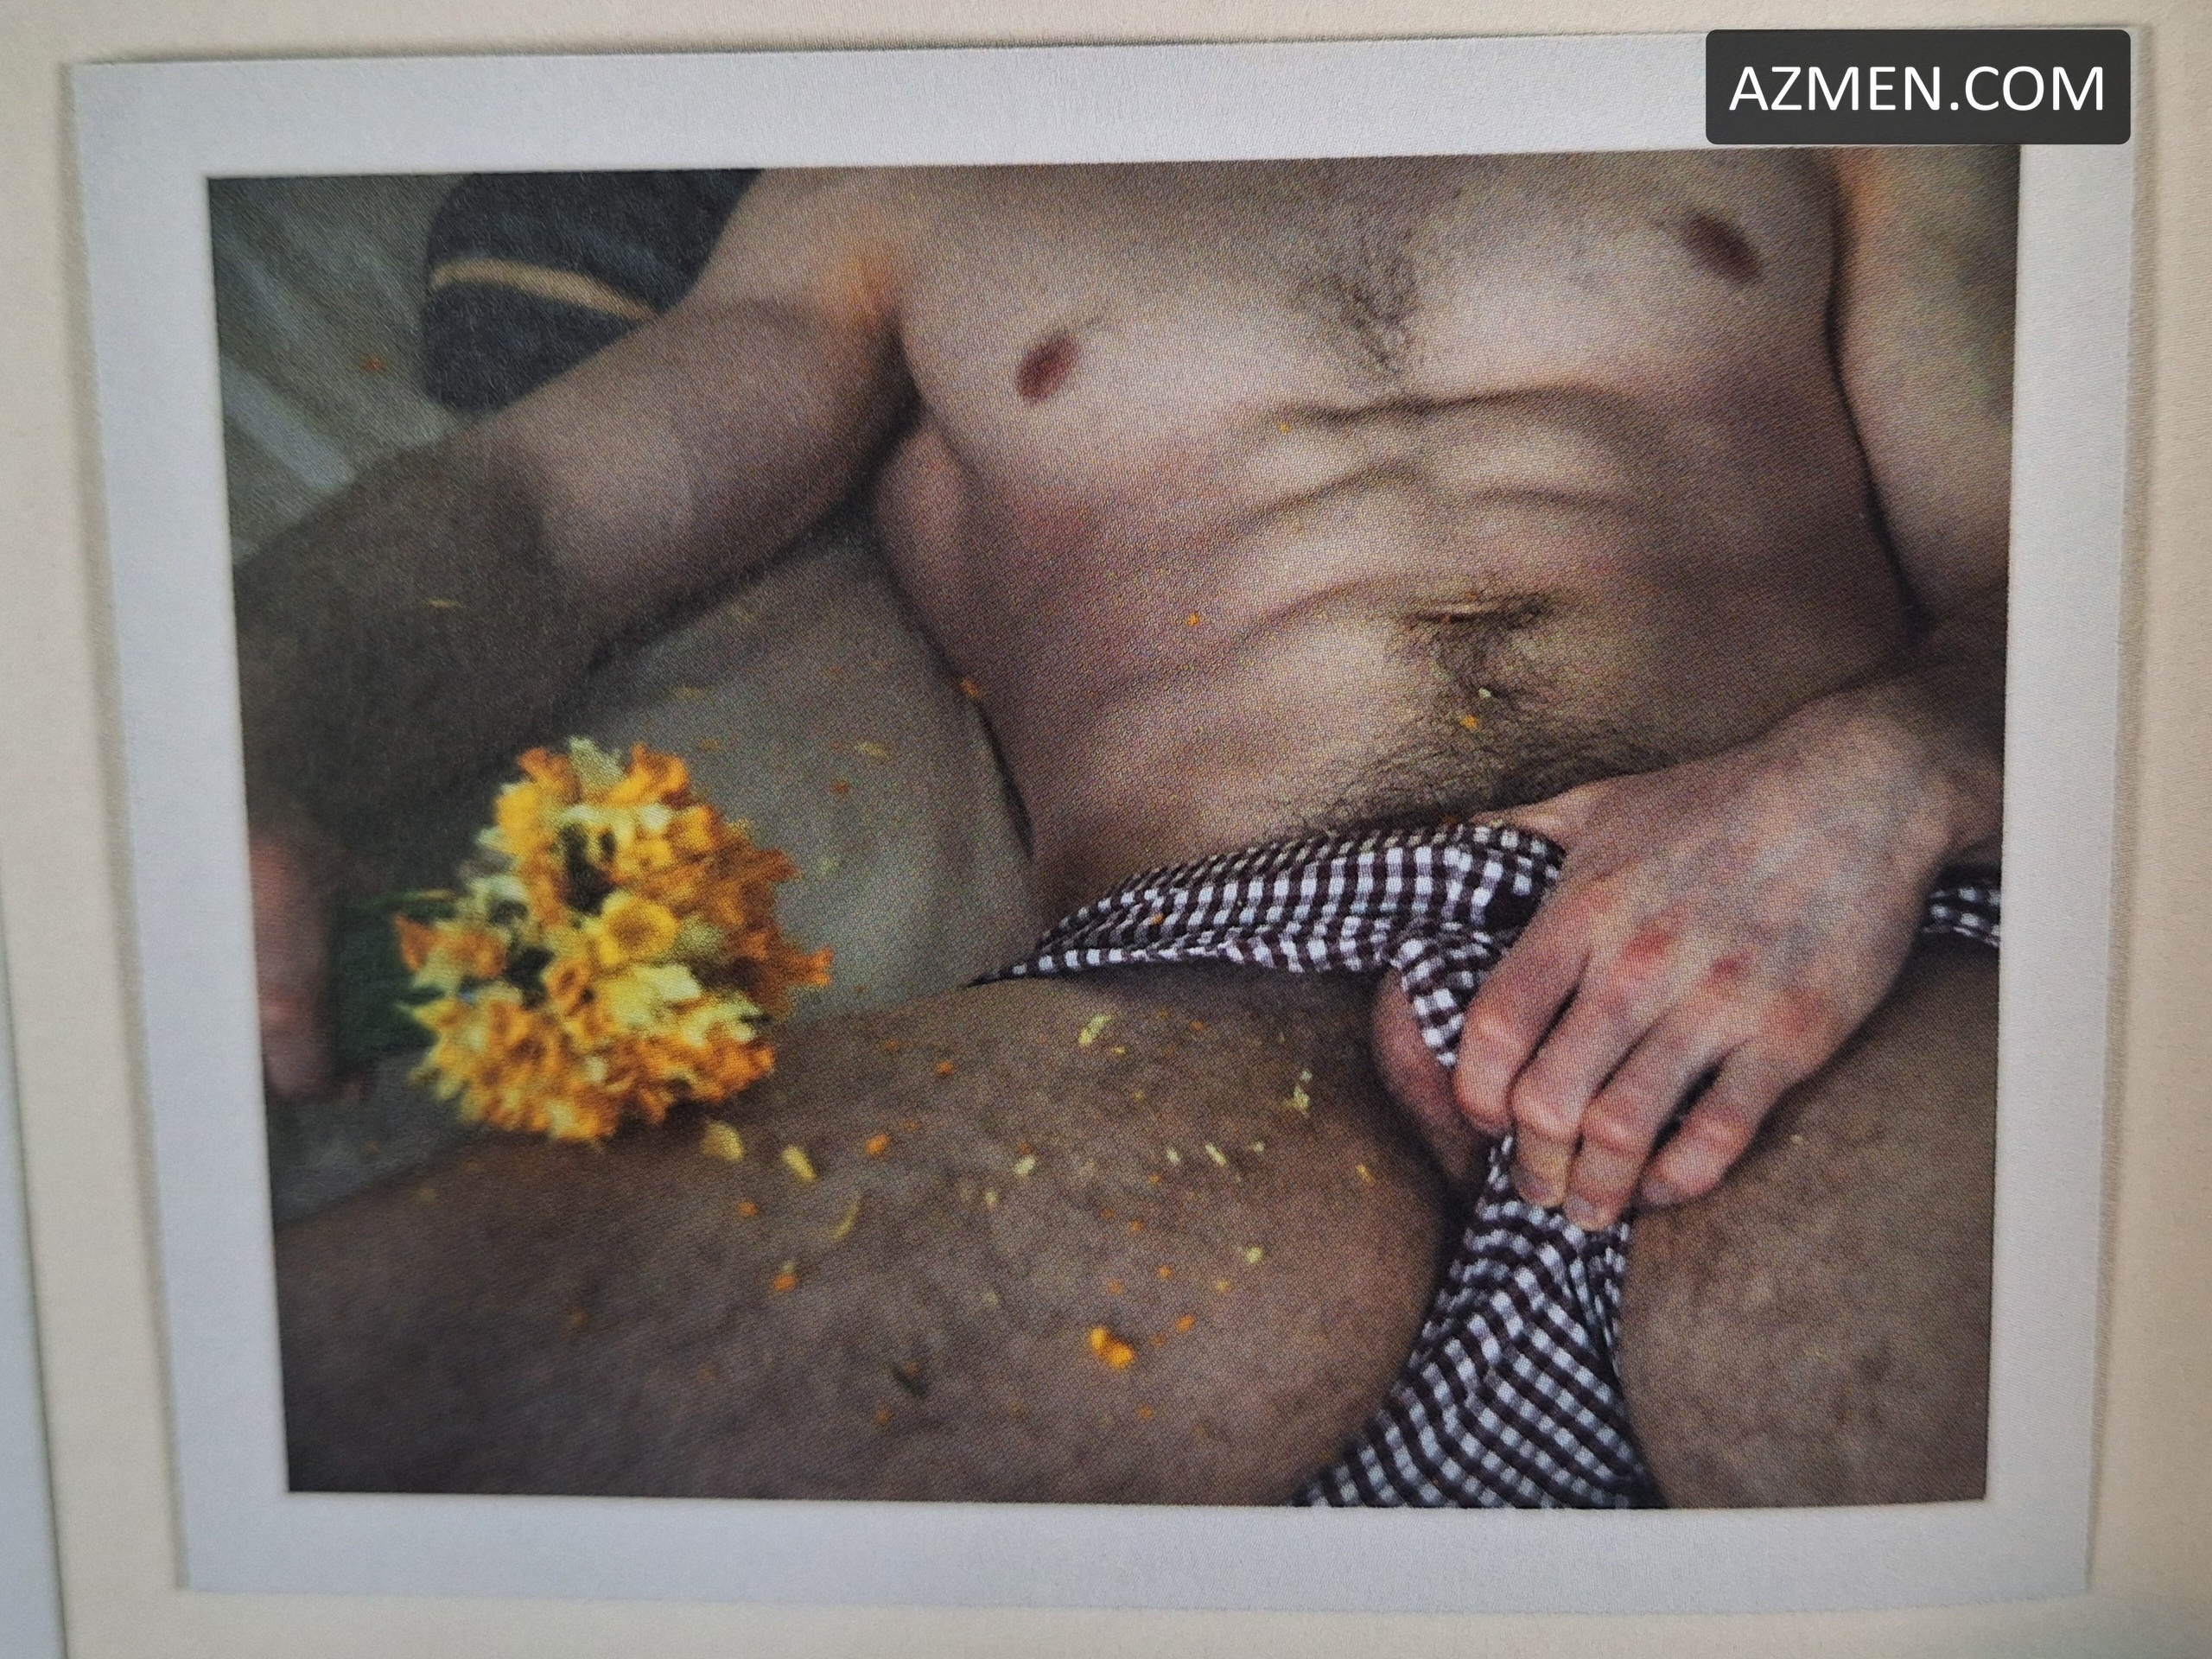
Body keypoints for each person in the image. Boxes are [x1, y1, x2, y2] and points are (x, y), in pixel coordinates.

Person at [247, 148, 2012, 1507]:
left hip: (1825, 929)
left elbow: (2069, 543)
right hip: (1197, 1012)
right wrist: (242, 727)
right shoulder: (904, 167)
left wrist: (1897, 763)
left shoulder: (1813, 89)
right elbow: (537, 513)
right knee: (303, 1398)